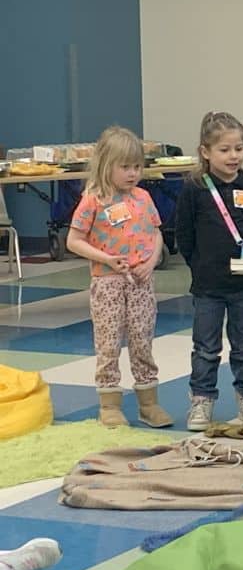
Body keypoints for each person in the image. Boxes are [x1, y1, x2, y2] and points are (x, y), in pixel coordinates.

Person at [67, 126, 173, 428]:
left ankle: (148, 402)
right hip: (107, 283)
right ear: (105, 165)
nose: (132, 173)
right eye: (124, 167)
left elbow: (156, 234)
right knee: (108, 342)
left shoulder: (143, 197)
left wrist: (151, 262)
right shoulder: (93, 200)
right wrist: (107, 260)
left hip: (141, 282)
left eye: (137, 166)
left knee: (143, 339)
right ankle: (109, 403)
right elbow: (73, 241)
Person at [176, 112, 243, 431]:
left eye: (238, 148)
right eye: (225, 150)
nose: (233, 156)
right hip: (208, 287)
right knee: (205, 347)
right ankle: (201, 401)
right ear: (205, 152)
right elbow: (183, 235)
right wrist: (199, 266)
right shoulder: (194, 188)